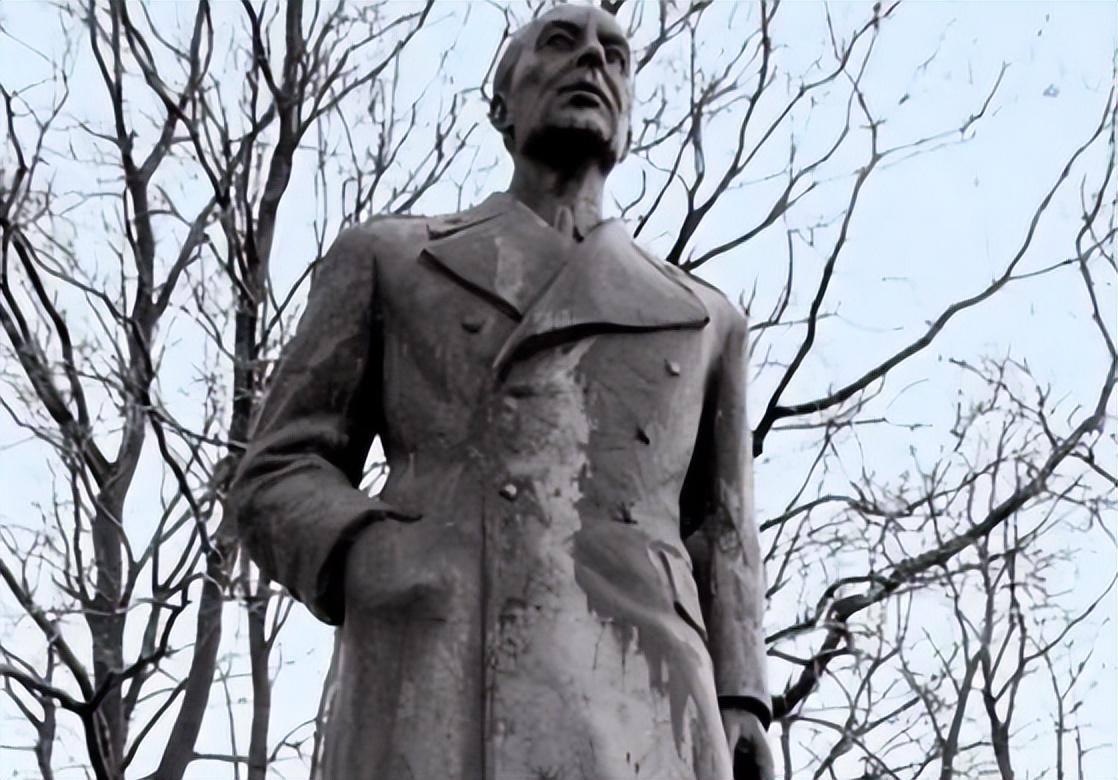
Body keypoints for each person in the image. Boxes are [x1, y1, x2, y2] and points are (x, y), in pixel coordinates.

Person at [228, 4, 773, 778]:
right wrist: (372, 554)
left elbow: (723, 532)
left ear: (629, 120)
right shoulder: (391, 258)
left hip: (649, 694)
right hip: (441, 653)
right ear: (501, 105)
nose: (593, 61)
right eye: (561, 43)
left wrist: (743, 696)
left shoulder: (707, 318)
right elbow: (276, 470)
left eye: (615, 55)